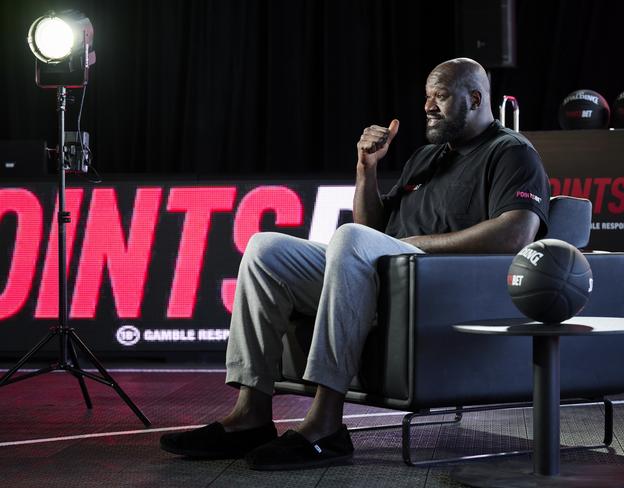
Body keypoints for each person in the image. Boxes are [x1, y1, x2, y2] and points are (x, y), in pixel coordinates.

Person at [160, 57, 550, 470]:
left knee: (348, 238)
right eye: (426, 98)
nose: (428, 108)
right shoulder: (427, 157)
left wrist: (417, 245)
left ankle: (326, 422)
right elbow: (371, 228)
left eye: (440, 96)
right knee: (265, 249)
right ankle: (251, 414)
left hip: (436, 283)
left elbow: (515, 234)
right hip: (386, 273)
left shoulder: (511, 152)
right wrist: (367, 169)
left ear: (474, 98)